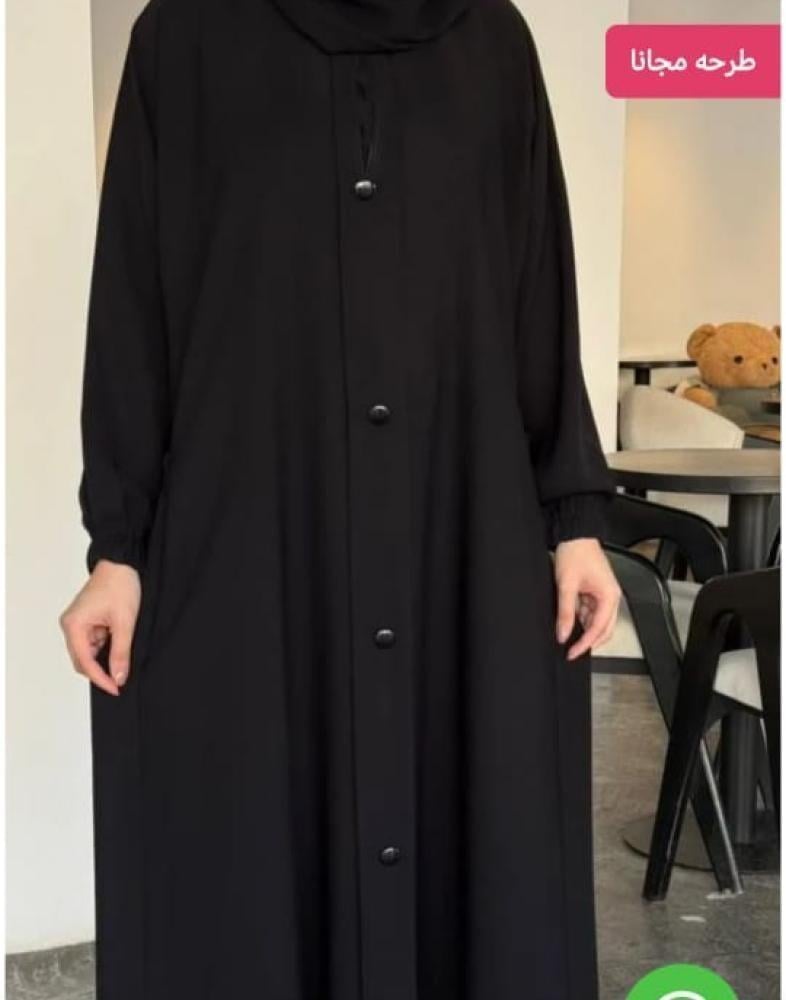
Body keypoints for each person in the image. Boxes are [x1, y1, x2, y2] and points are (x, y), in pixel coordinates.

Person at [59, 0, 621, 997]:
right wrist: (120, 544)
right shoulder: (183, 40)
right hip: (255, 534)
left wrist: (573, 516)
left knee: (475, 851)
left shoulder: (490, 42)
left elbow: (538, 294)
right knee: (248, 852)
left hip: (460, 525)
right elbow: (134, 311)